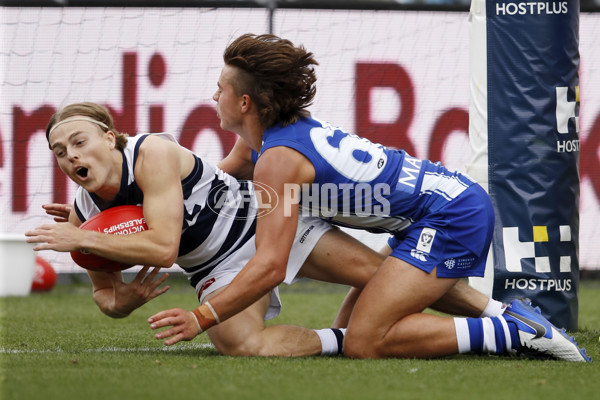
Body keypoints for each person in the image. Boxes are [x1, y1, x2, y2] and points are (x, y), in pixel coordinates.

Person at [183, 33, 589, 362]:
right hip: (430, 212)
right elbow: (207, 184)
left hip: (450, 213)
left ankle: (510, 332)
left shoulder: (277, 159)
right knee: (349, 329)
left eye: (219, 89)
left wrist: (203, 316)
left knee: (364, 341)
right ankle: (504, 315)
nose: (212, 96)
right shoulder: (260, 145)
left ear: (245, 102)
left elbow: (271, 265)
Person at [26, 102, 498, 358]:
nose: (69, 155)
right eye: (59, 150)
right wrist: (119, 302)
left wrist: (83, 238)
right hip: (212, 265)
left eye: (78, 141)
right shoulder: (82, 212)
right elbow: (105, 297)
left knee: (383, 277)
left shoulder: (152, 153)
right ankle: (339, 340)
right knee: (245, 347)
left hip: (262, 221)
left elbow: (164, 246)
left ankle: (503, 317)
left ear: (110, 137)